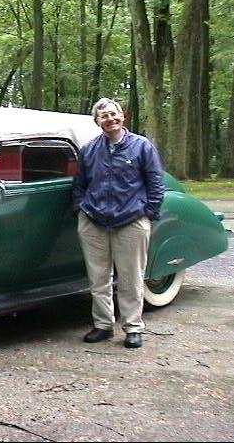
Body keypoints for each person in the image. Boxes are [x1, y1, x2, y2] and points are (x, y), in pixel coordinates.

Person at [72, 98, 165, 349]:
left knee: (131, 277)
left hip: (131, 219)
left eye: (113, 114)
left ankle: (133, 327)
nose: (110, 119)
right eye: (104, 116)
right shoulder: (89, 149)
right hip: (93, 219)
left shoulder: (141, 146)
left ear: (122, 116)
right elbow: (80, 184)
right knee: (98, 277)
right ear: (97, 122)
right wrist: (81, 209)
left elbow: (156, 182)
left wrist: (148, 213)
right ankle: (102, 325)